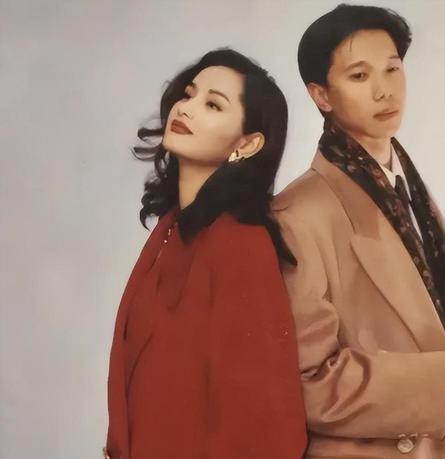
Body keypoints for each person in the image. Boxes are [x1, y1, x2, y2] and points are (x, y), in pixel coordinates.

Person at [272, 4, 445, 459]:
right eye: (359, 76)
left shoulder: (406, 188)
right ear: (321, 95)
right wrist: (440, 374)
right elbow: (307, 382)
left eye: (393, 69)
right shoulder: (298, 213)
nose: (384, 91)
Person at [103, 48, 307, 459]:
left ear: (247, 144)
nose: (186, 108)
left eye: (213, 105)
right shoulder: (171, 230)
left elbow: (266, 424)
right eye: (189, 94)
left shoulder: (239, 243)